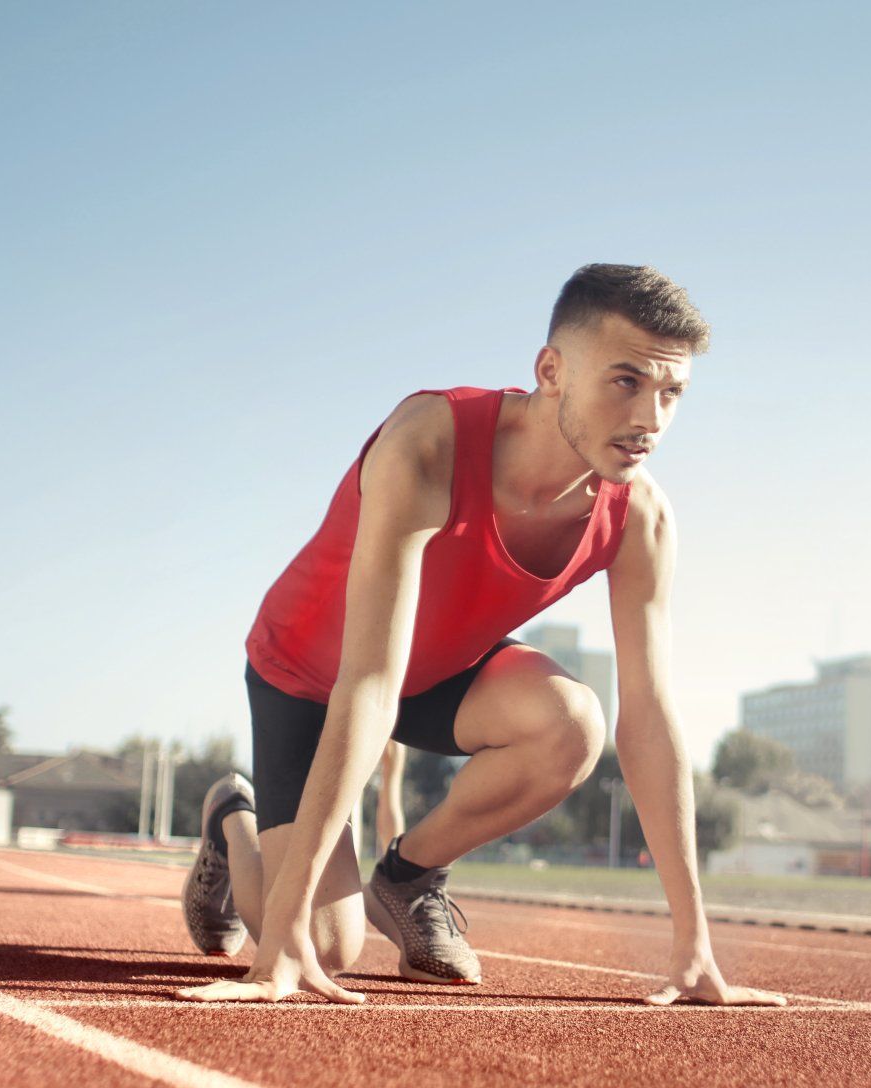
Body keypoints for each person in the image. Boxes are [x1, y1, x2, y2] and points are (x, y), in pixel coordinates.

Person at [181, 263, 781, 1008]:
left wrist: (694, 945)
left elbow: (650, 717)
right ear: (551, 370)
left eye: (673, 392)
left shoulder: (640, 518)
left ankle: (406, 878)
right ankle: (231, 822)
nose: (651, 419)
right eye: (626, 381)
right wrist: (284, 934)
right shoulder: (428, 443)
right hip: (309, 675)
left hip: (437, 676)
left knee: (572, 724)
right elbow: (367, 679)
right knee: (325, 943)